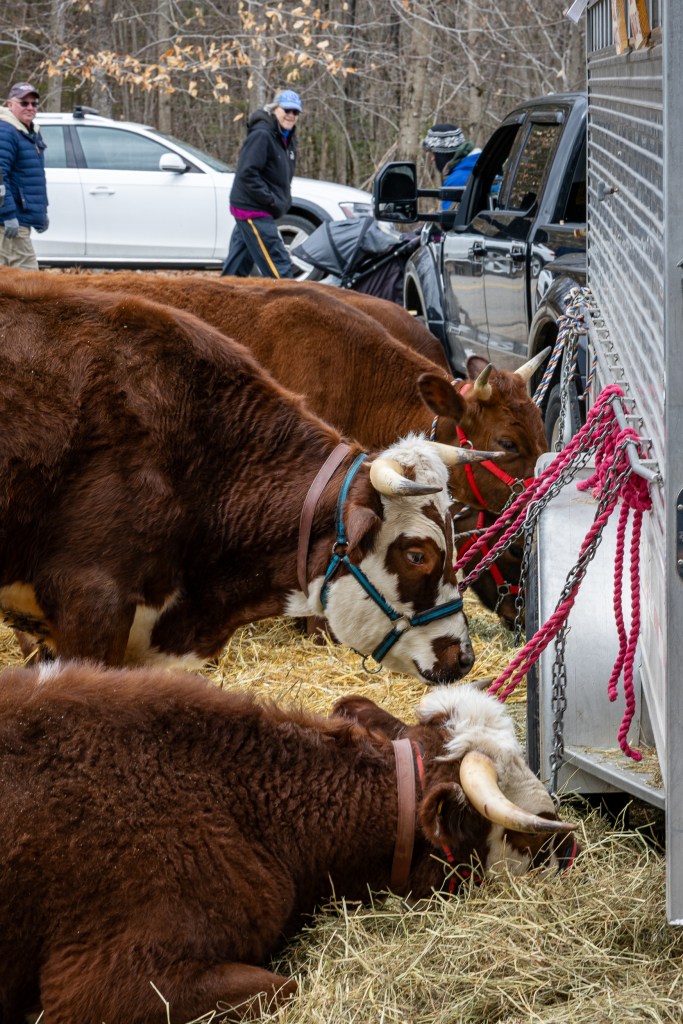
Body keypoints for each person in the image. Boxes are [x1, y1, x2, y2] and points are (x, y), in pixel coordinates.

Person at [221, 89, 302, 279]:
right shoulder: (262, 134)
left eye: (295, 112)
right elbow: (246, 173)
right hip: (253, 209)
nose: (291, 115)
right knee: (278, 263)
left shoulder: (287, 138)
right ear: (275, 109)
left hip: (259, 208)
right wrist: (271, 200)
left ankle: (220, 301)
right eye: (287, 110)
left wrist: (283, 199)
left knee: (237, 268)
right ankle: (292, 304)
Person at [0, 81, 49, 269]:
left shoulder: (28, 132)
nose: (30, 107)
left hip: (19, 218)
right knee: (28, 279)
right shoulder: (6, 131)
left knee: (8, 278)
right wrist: (8, 215)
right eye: (24, 103)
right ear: (10, 104)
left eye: (34, 104)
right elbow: (0, 177)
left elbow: (30, 177)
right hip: (10, 220)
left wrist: (41, 212)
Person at [421, 123, 481, 209]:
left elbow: (449, 219)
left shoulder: (456, 180)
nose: (432, 159)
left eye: (433, 153)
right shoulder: (479, 166)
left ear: (443, 154)